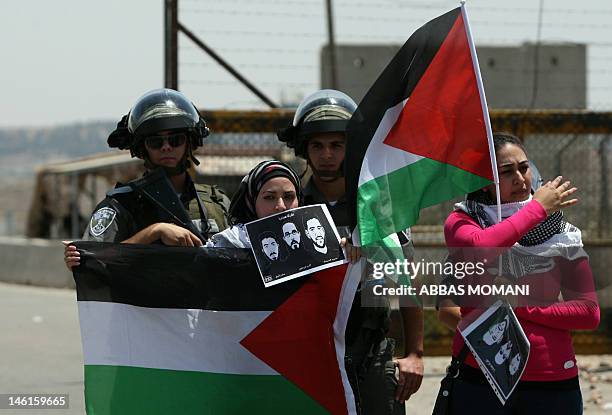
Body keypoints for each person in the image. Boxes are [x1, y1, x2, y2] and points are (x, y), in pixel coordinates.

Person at [278, 89, 424, 414]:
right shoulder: (290, 209)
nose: (327, 155)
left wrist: (415, 353)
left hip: (372, 349)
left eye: (337, 145)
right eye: (317, 145)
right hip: (309, 353)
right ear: (304, 148)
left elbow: (406, 281)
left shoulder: (378, 209)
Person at [438, 133, 600, 414]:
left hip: (551, 383)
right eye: (506, 171)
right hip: (481, 378)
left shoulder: (560, 233)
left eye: (524, 168)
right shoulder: (463, 222)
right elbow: (481, 249)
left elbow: (588, 313)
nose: (520, 178)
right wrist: (537, 209)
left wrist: (522, 306)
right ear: (485, 181)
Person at [64, 88, 230, 269]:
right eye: (156, 142)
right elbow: (95, 259)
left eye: (175, 140)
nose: (166, 147)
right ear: (143, 148)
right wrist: (153, 232)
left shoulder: (217, 203)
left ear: (189, 142)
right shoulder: (121, 204)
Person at [205, 160, 359, 266]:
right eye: (269, 197)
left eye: (288, 197)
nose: (281, 206)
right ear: (251, 202)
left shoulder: (320, 241)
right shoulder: (230, 245)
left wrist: (349, 253)